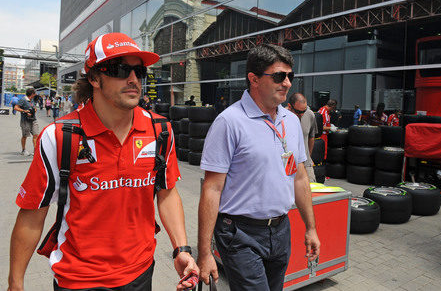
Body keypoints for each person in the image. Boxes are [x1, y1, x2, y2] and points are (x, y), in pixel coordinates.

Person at [8, 33, 198, 291]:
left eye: (138, 71)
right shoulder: (60, 136)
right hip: (77, 279)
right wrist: (15, 283)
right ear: (95, 78)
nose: (133, 79)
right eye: (121, 69)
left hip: (140, 272)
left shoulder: (159, 130)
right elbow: (32, 215)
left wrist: (181, 248)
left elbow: (167, 193)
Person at [197, 44, 320, 290]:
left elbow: (299, 177)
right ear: (253, 79)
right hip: (240, 234)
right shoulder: (230, 122)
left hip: (280, 230)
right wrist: (204, 252)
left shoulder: (292, 122)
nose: (286, 83)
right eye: (278, 76)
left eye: (289, 76)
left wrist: (311, 228)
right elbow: (212, 188)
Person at [287, 93, 318, 182]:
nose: (301, 114)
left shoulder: (310, 115)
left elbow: (311, 137)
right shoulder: (281, 117)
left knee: (311, 189)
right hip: (288, 165)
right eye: (298, 112)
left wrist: (308, 157)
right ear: (290, 106)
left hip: (306, 164)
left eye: (303, 111)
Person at [13, 88, 39, 156]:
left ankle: (35, 151)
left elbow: (34, 107)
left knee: (36, 135)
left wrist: (34, 110)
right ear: (32, 94)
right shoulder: (23, 100)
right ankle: (23, 150)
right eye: (35, 93)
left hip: (33, 120)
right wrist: (24, 111)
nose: (35, 94)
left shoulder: (32, 100)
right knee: (25, 136)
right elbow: (15, 107)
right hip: (25, 121)